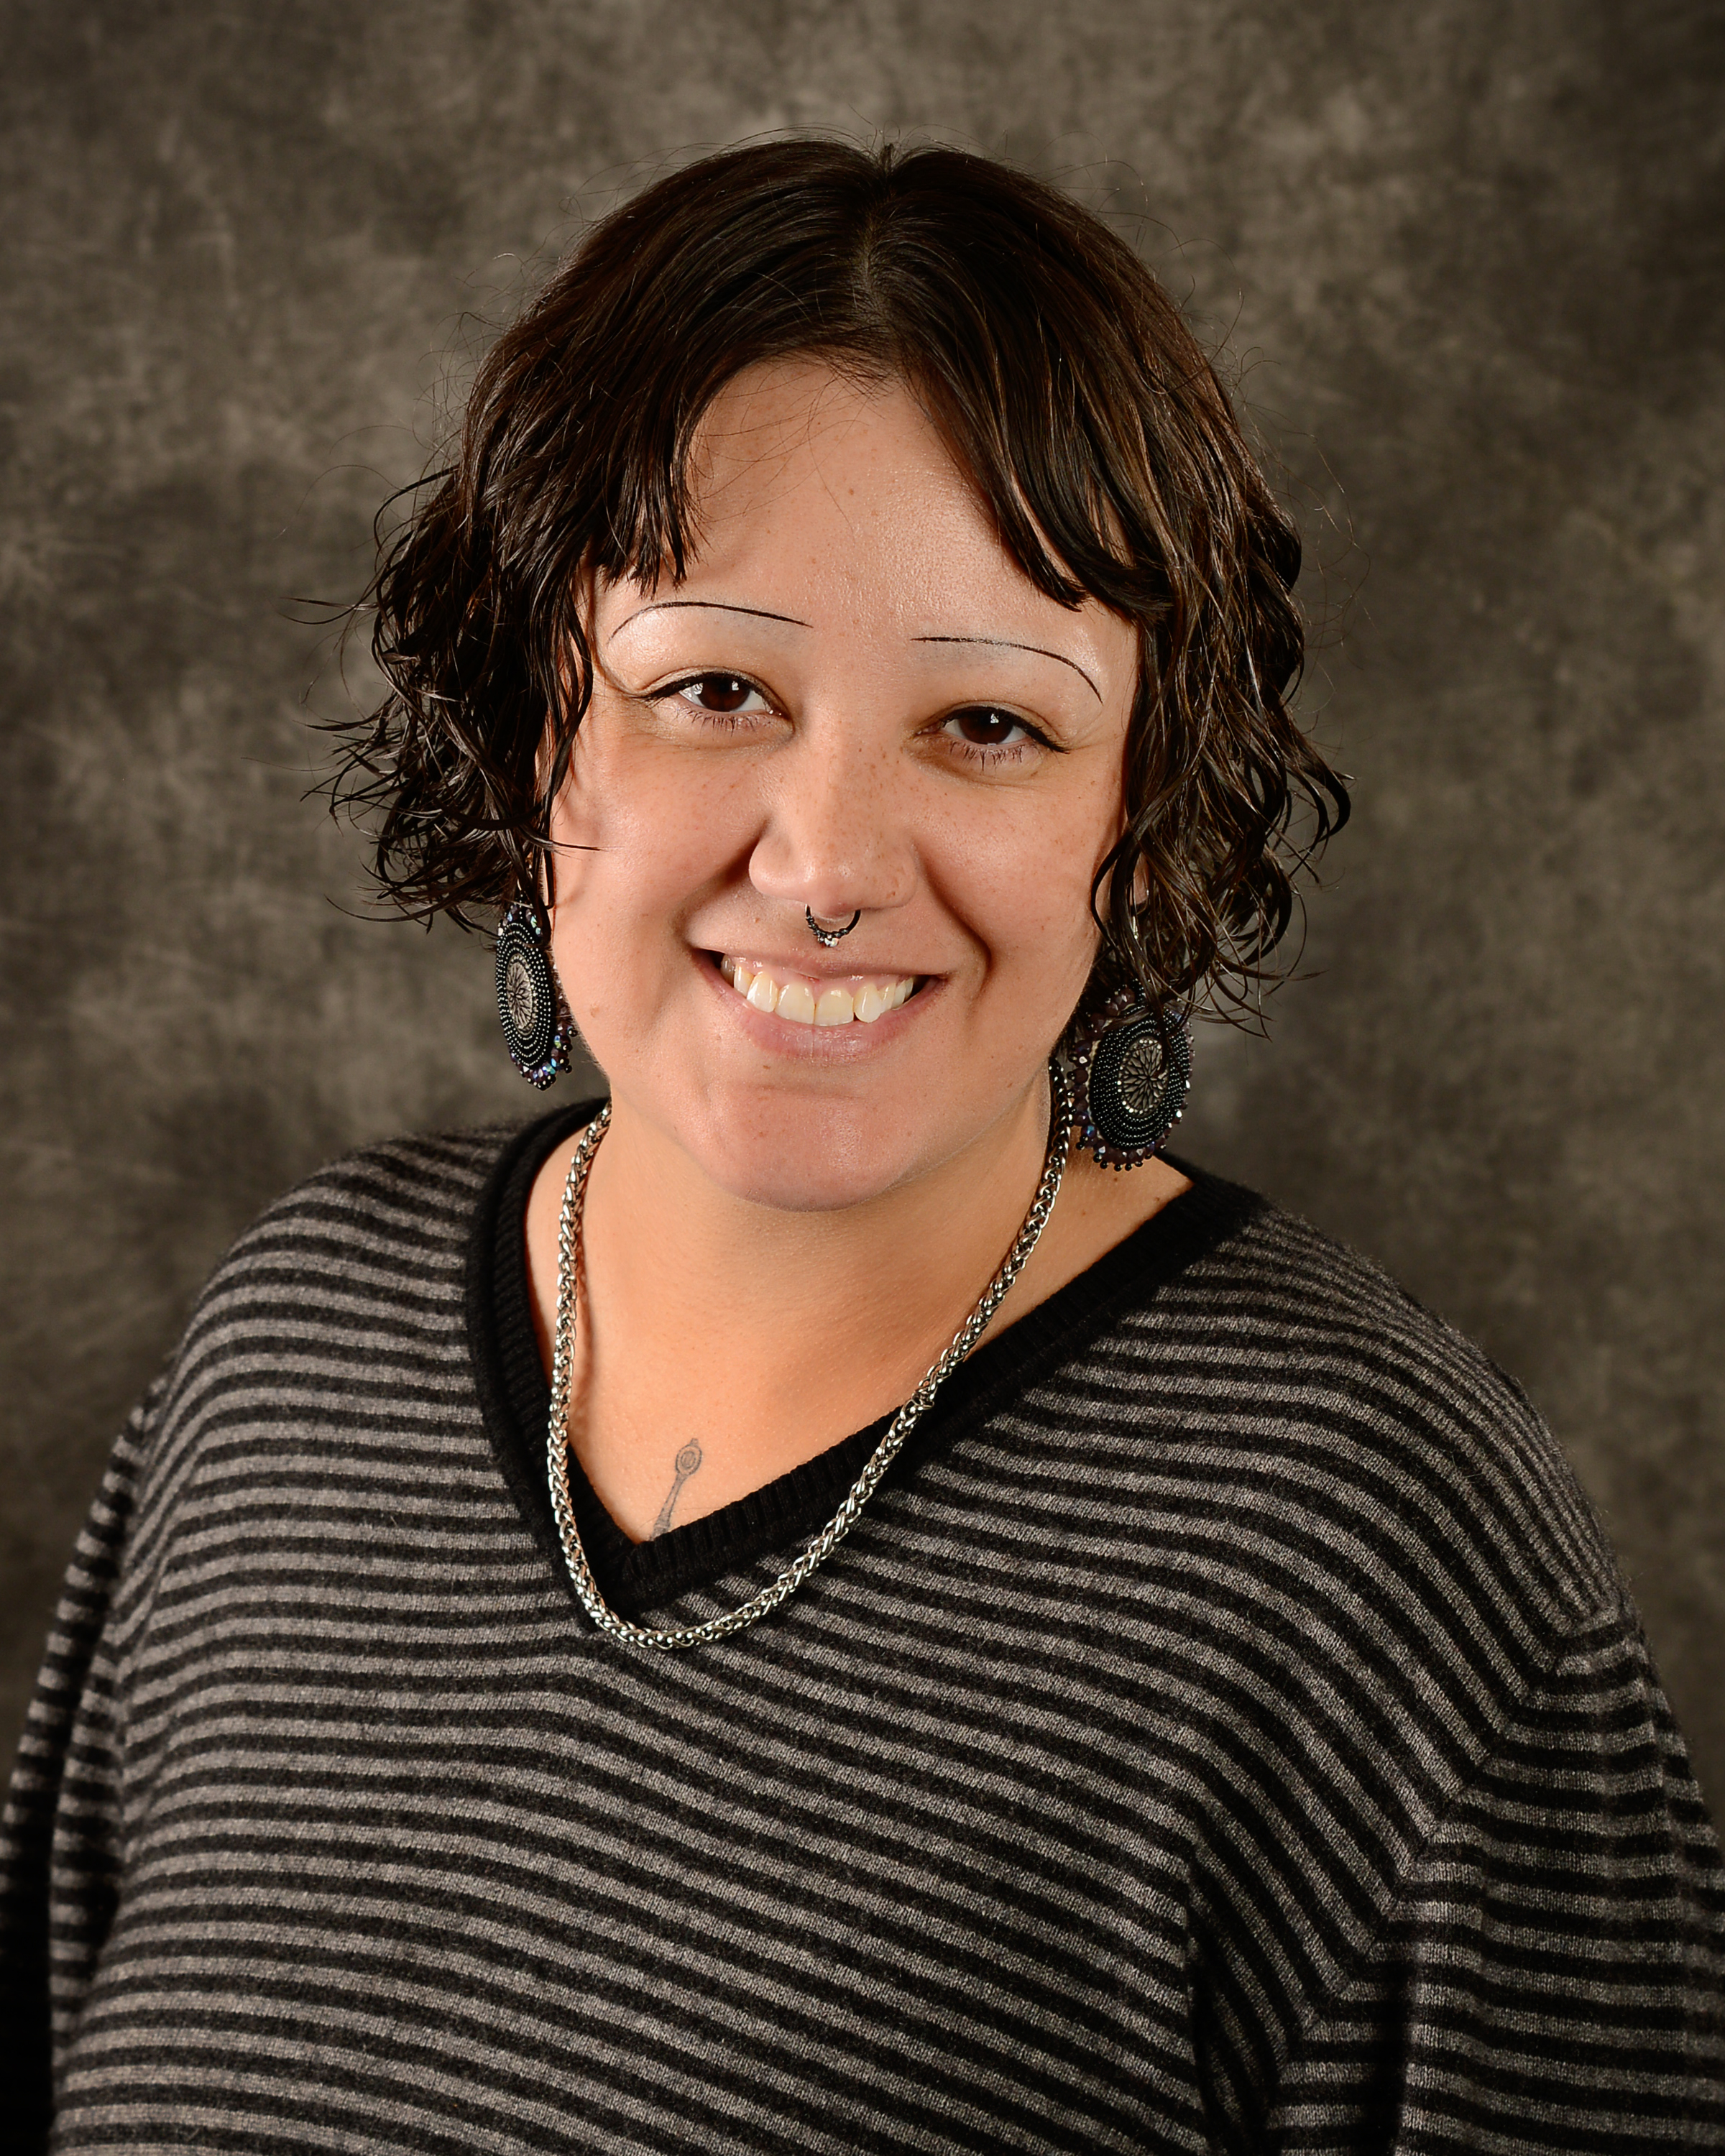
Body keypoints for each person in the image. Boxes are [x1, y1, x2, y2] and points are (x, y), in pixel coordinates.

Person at [2, 138, 1721, 2155]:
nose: (824, 867)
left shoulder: (1375, 1562)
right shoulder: (289, 1355)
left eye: (988, 725)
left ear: (1140, 816)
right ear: (529, 725)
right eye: (714, 688)